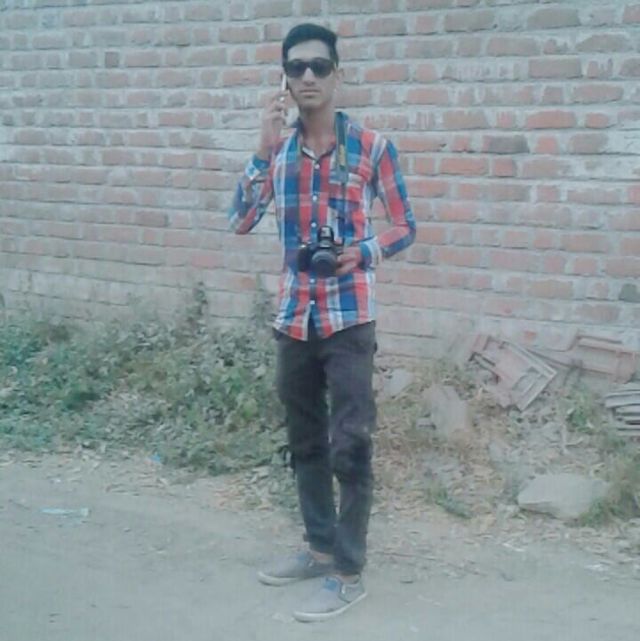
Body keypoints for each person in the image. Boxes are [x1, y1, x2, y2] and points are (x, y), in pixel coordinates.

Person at [228, 23, 416, 622]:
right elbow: (239, 221)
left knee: (351, 443)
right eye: (295, 67)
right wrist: (261, 148)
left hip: (350, 316)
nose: (307, 76)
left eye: (318, 66)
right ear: (284, 79)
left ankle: (348, 570)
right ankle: (317, 548)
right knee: (305, 440)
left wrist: (362, 251)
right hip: (294, 317)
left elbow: (405, 225)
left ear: (338, 75)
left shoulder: (372, 147)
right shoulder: (278, 154)